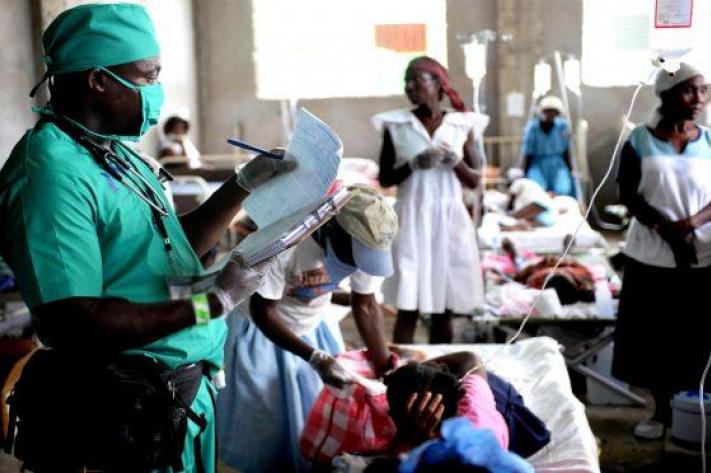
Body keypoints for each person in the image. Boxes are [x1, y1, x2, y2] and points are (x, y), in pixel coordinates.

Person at [0, 4, 293, 471]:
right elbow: (73, 322)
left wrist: (242, 184)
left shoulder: (116, 152)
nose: (157, 90)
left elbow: (168, 245)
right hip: (128, 414)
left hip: (180, 398)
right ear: (98, 80)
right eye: (148, 76)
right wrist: (212, 303)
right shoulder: (50, 175)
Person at [217, 185, 398, 473]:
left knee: (315, 412)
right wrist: (315, 358)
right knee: (265, 420)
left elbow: (365, 304)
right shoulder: (283, 242)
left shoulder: (366, 240)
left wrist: (386, 367)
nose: (357, 267)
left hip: (313, 326)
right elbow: (264, 312)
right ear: (330, 228)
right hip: (261, 333)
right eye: (352, 258)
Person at [612, 62, 711, 440]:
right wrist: (668, 232)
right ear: (667, 95)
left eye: (703, 90)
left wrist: (689, 225)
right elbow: (628, 195)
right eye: (689, 90)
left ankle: (693, 408)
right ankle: (660, 412)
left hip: (701, 254)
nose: (698, 98)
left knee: (694, 336)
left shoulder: (709, 141)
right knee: (654, 337)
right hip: (650, 256)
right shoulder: (640, 140)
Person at [374, 56, 485, 344]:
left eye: (416, 80)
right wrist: (413, 164)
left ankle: (442, 364)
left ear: (438, 84)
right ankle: (403, 366)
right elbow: (385, 178)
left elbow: (475, 179)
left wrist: (455, 161)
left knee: (444, 306)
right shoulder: (396, 125)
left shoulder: (462, 124)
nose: (409, 87)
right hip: (411, 217)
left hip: (448, 218)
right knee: (407, 304)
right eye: (406, 81)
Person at [522, 96, 576, 197]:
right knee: (537, 190)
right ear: (542, 112)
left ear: (558, 113)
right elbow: (528, 153)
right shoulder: (533, 128)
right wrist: (524, 173)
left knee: (563, 189)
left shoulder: (562, 126)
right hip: (537, 164)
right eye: (548, 111)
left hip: (558, 165)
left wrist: (571, 171)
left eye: (554, 111)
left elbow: (566, 151)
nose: (550, 114)